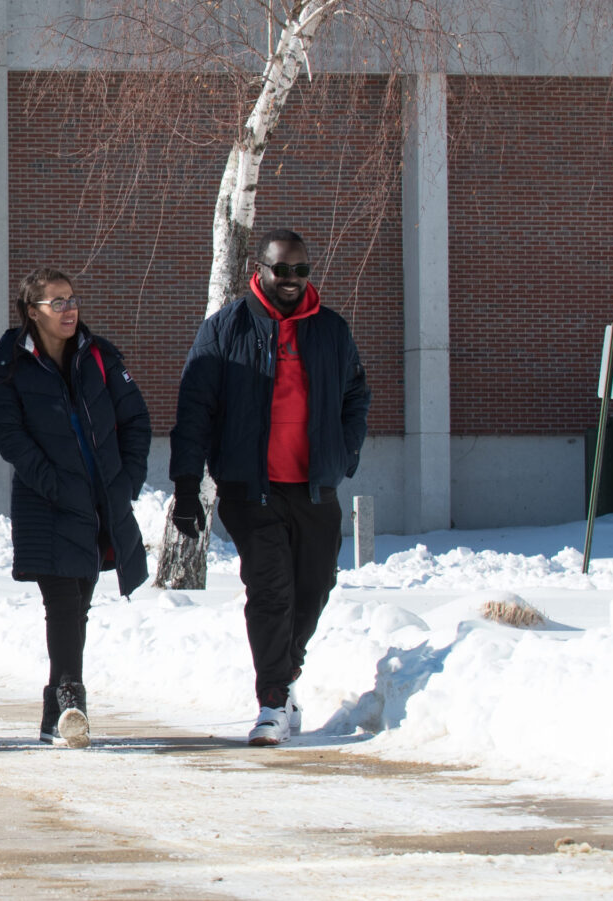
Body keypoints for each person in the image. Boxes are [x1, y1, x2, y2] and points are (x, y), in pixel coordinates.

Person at [170, 229, 371, 747]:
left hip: (314, 489)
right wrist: (187, 484)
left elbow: (355, 394)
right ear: (258, 270)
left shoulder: (330, 330)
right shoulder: (224, 330)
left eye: (301, 271)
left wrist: (344, 456)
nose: (291, 280)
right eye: (281, 270)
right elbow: (195, 410)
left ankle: (283, 678)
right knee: (271, 592)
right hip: (249, 487)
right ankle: (272, 702)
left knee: (314, 589)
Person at [0, 267, 150, 749]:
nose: (68, 309)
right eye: (56, 302)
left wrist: (127, 480)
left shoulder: (100, 356)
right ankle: (71, 697)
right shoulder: (10, 362)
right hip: (48, 502)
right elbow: (7, 434)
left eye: (71, 299)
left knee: (79, 601)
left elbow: (135, 419)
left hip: (100, 502)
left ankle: (53, 712)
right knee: (62, 601)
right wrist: (53, 483)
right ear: (31, 311)